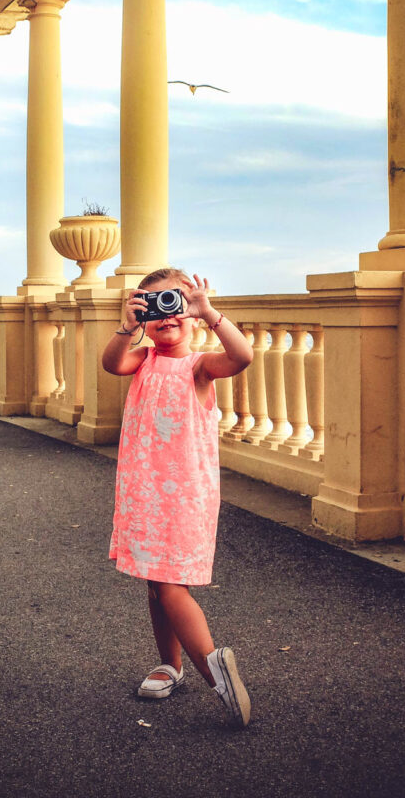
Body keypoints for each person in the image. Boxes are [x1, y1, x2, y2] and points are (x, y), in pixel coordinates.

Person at [102, 267, 254, 727]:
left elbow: (243, 356)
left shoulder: (200, 366)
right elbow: (112, 363)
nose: (166, 314)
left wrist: (210, 314)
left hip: (184, 495)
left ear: (189, 313)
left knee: (169, 582)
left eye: (176, 304)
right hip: (142, 490)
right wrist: (126, 326)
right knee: (156, 580)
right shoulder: (142, 359)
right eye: (154, 305)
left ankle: (214, 669)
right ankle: (171, 664)